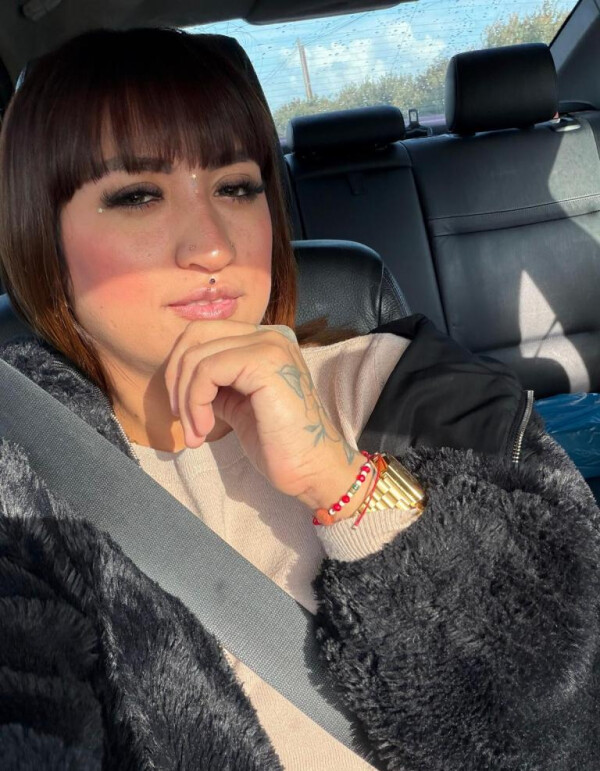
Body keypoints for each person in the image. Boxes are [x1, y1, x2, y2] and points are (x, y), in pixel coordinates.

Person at [0, 26, 599, 771]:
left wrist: (340, 482)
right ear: (42, 234)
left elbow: (565, 707)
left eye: (236, 187)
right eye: (139, 195)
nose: (213, 247)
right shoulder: (24, 475)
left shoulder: (401, 381)